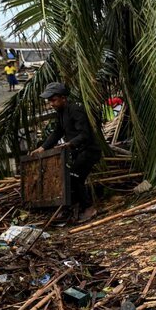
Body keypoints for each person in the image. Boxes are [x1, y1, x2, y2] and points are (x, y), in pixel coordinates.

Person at [30, 82, 102, 222]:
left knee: (74, 177)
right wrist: (43, 148)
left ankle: (89, 208)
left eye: (54, 100)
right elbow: (57, 132)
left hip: (88, 151)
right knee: (68, 177)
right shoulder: (61, 113)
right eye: (49, 101)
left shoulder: (75, 109)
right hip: (78, 152)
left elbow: (85, 134)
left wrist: (69, 144)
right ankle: (70, 209)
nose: (51, 104)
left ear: (63, 98)